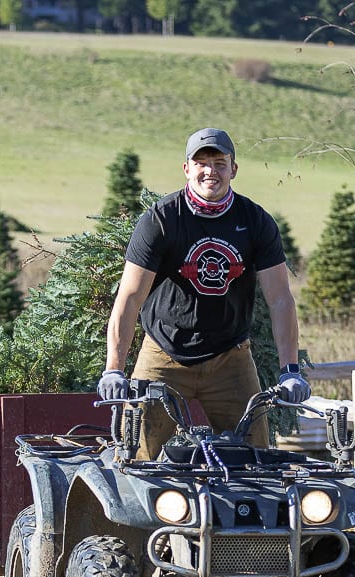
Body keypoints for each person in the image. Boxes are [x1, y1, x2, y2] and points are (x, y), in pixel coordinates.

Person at [99, 127, 309, 459]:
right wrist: (114, 368)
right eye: (201, 163)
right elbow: (130, 297)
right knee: (133, 456)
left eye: (219, 163)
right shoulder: (161, 220)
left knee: (257, 461)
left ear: (233, 169)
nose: (210, 171)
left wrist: (291, 371)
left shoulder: (255, 222)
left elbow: (280, 299)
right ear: (187, 169)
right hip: (164, 355)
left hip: (231, 358)